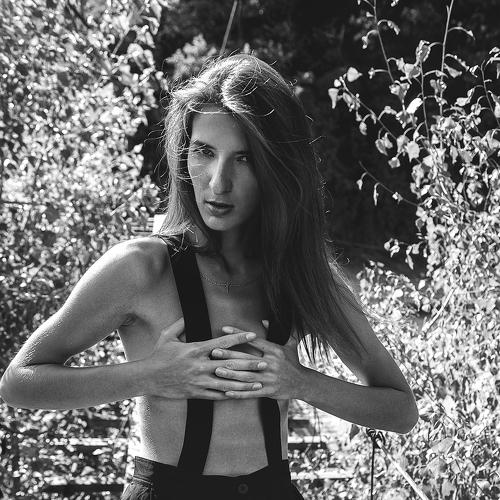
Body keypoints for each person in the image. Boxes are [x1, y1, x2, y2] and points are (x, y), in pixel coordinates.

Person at [0, 54, 418, 499]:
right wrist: (148, 375)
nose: (219, 183)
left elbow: (400, 410)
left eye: (244, 158)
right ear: (184, 155)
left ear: (278, 167)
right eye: (204, 151)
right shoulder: (140, 268)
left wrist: (300, 382)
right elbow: (20, 382)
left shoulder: (305, 278)